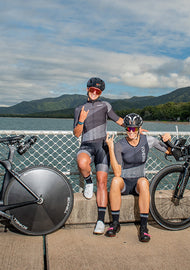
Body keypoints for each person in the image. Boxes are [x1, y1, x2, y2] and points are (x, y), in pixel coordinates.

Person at [105, 113, 171, 242]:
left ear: (139, 128)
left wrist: (167, 139)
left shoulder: (148, 140)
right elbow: (117, 172)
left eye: (134, 129)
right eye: (128, 128)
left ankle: (144, 227)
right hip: (124, 182)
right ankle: (115, 223)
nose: (131, 132)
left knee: (144, 182)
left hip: (138, 183)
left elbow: (169, 151)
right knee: (115, 180)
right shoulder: (120, 144)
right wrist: (111, 148)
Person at [73, 77, 124, 234]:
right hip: (87, 146)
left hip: (102, 148)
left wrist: (136, 129)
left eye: (98, 91)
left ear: (100, 92)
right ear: (87, 89)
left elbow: (119, 120)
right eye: (92, 90)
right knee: (82, 163)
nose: (94, 93)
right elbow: (76, 134)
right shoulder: (79, 109)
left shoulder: (105, 105)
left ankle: (100, 221)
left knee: (102, 182)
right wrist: (81, 120)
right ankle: (88, 182)